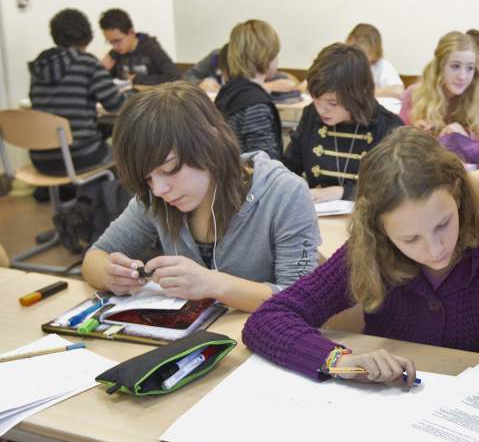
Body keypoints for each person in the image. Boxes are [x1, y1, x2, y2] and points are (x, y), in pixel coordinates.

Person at [243, 127, 479, 384]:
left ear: (457, 194)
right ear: (380, 229)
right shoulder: (370, 251)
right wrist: (340, 361)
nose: (435, 248)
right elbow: (268, 319)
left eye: (443, 224)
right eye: (410, 239)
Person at [82, 81, 321, 313]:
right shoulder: (156, 198)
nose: (158, 189)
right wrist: (110, 275)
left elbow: (300, 301)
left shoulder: (284, 193)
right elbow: (95, 256)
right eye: (147, 178)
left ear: (210, 143)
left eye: (168, 169)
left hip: (261, 336)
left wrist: (214, 284)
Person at [281, 43, 402, 202]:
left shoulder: (388, 127)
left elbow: (395, 188)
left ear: (357, 96)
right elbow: (289, 167)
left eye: (333, 103)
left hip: (365, 215)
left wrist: (346, 192)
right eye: (316, 98)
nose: (321, 110)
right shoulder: (311, 115)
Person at [28, 8, 125, 175]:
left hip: (40, 159)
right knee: (126, 157)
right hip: (80, 155)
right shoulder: (87, 63)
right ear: (86, 34)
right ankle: (98, 191)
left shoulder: (39, 66)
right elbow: (117, 105)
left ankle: (68, 189)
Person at [399, 31, 479, 168]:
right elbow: (397, 148)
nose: (463, 76)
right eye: (455, 66)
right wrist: (414, 136)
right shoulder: (413, 95)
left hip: (472, 176)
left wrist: (465, 141)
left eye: (470, 68)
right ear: (439, 66)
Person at [214, 20, 283, 159]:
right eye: (276, 54)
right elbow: (262, 162)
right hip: (246, 173)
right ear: (267, 56)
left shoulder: (227, 92)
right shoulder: (256, 105)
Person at [99, 8, 181, 85]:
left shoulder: (151, 48)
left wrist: (136, 79)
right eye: (110, 42)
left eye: (117, 41)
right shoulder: (115, 53)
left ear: (131, 32)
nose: (114, 47)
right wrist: (102, 70)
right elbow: (108, 83)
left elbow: (175, 77)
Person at [185, 47, 299, 95]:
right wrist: (200, 83)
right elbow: (187, 76)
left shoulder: (254, 63)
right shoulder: (216, 57)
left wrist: (260, 86)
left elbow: (288, 83)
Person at [346, 23, 404, 99]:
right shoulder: (345, 65)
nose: (357, 57)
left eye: (363, 53)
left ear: (374, 52)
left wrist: (369, 93)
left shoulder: (382, 66)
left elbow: (399, 91)